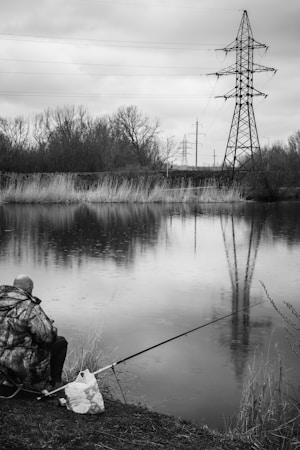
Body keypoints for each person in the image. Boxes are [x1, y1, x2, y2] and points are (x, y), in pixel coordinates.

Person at [0, 274, 68, 391]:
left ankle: (10, 379)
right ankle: (52, 383)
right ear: (29, 288)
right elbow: (47, 337)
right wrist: (49, 326)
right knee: (61, 342)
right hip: (18, 361)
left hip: (1, 358)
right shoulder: (29, 306)